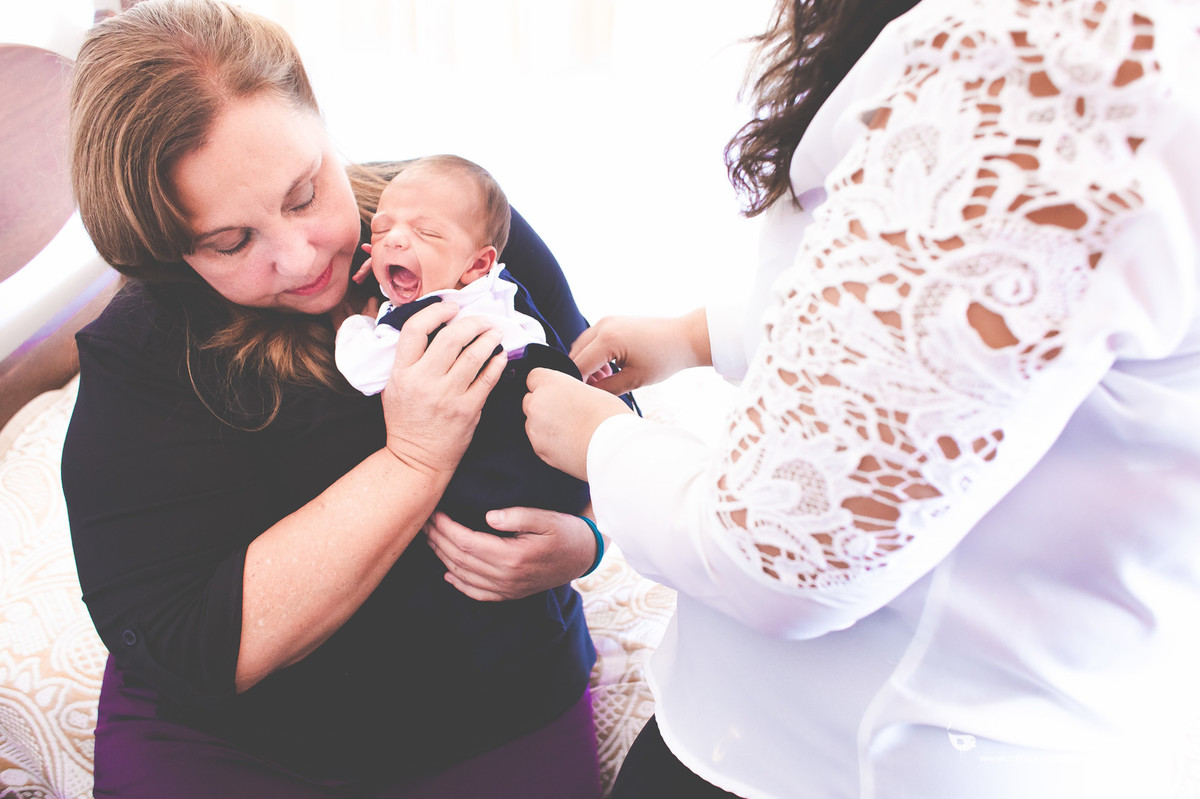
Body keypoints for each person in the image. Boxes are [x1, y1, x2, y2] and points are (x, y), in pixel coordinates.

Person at [432, 0, 1200, 797]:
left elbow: (784, 557)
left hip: (853, 760)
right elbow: (927, 313)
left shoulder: (1054, 59)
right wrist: (700, 336)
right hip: (787, 729)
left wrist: (602, 442)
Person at [59, 1, 605, 797]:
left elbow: (601, 415)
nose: (300, 255)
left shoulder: (454, 226)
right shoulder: (144, 353)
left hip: (494, 698)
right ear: (169, 249)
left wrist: (587, 540)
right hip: (241, 740)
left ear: (318, 117)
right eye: (232, 241)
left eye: (304, 192)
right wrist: (413, 460)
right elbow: (193, 639)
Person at [335, 154, 599, 535]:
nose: (393, 239)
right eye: (380, 230)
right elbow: (537, 336)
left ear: (477, 263)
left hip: (503, 481)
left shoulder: (420, 319)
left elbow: (363, 369)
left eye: (426, 233)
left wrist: (357, 323)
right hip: (569, 468)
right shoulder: (499, 286)